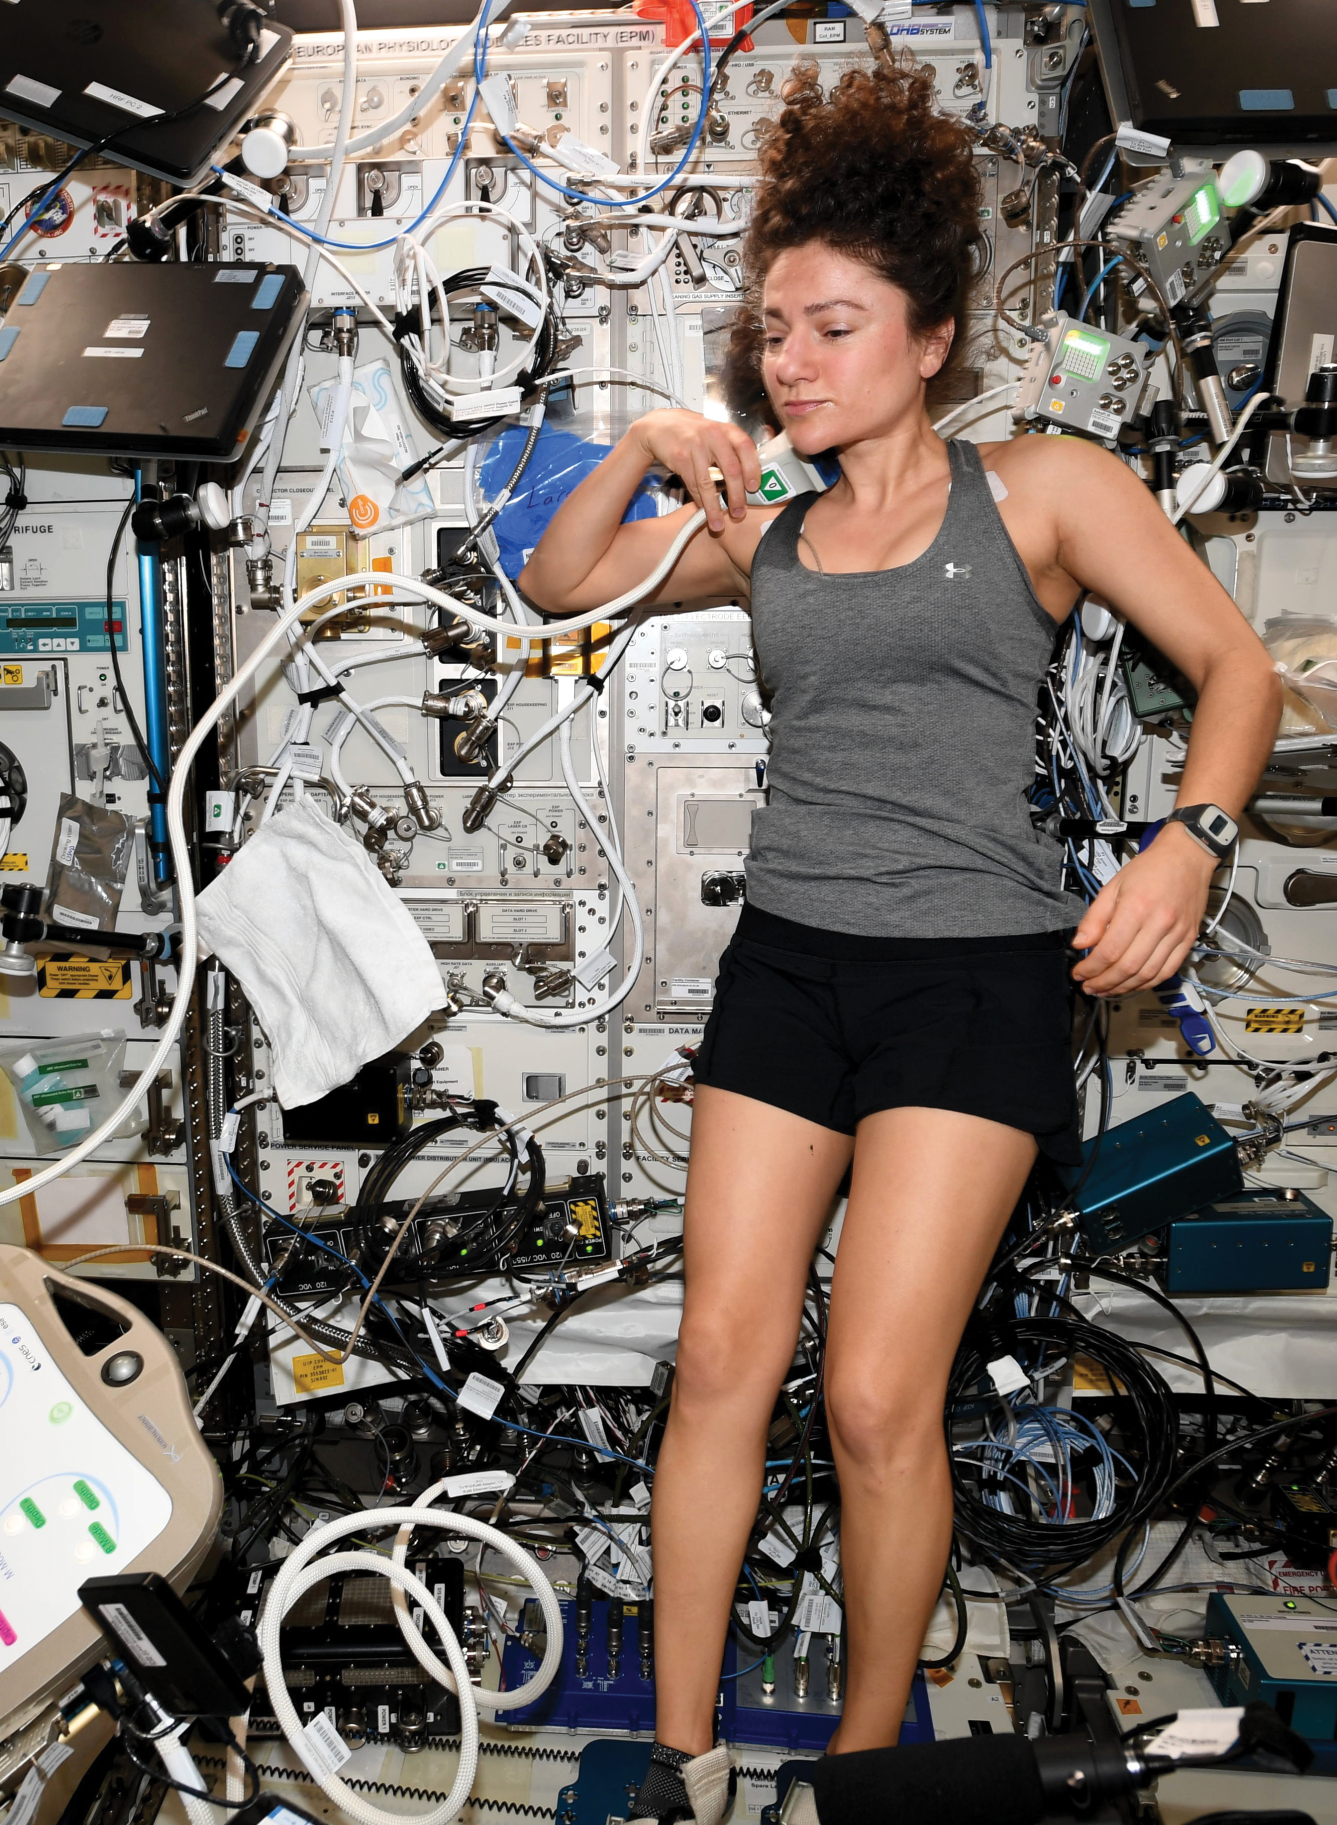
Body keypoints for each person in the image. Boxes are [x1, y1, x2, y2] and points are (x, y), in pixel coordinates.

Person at [518, 51, 1281, 1825]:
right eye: (774, 329)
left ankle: (866, 1771)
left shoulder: (1045, 491)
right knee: (715, 1358)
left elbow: (1237, 672)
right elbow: (558, 583)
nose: (792, 359)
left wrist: (1193, 844)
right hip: (791, 964)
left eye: (835, 325)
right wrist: (641, 439)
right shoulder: (756, 539)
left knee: (873, 1394)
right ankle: (690, 1760)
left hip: (974, 979)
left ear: (931, 337)